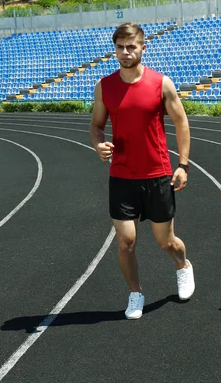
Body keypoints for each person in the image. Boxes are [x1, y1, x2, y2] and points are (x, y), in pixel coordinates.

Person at [89, 22, 194, 319]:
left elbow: (181, 123)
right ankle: (135, 293)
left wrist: (183, 165)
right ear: (115, 50)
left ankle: (183, 265)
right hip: (121, 176)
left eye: (131, 46)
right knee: (126, 242)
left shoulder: (161, 83)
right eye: (120, 47)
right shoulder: (104, 86)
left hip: (157, 175)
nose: (126, 52)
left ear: (143, 48)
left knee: (166, 242)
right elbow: (96, 126)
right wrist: (98, 145)